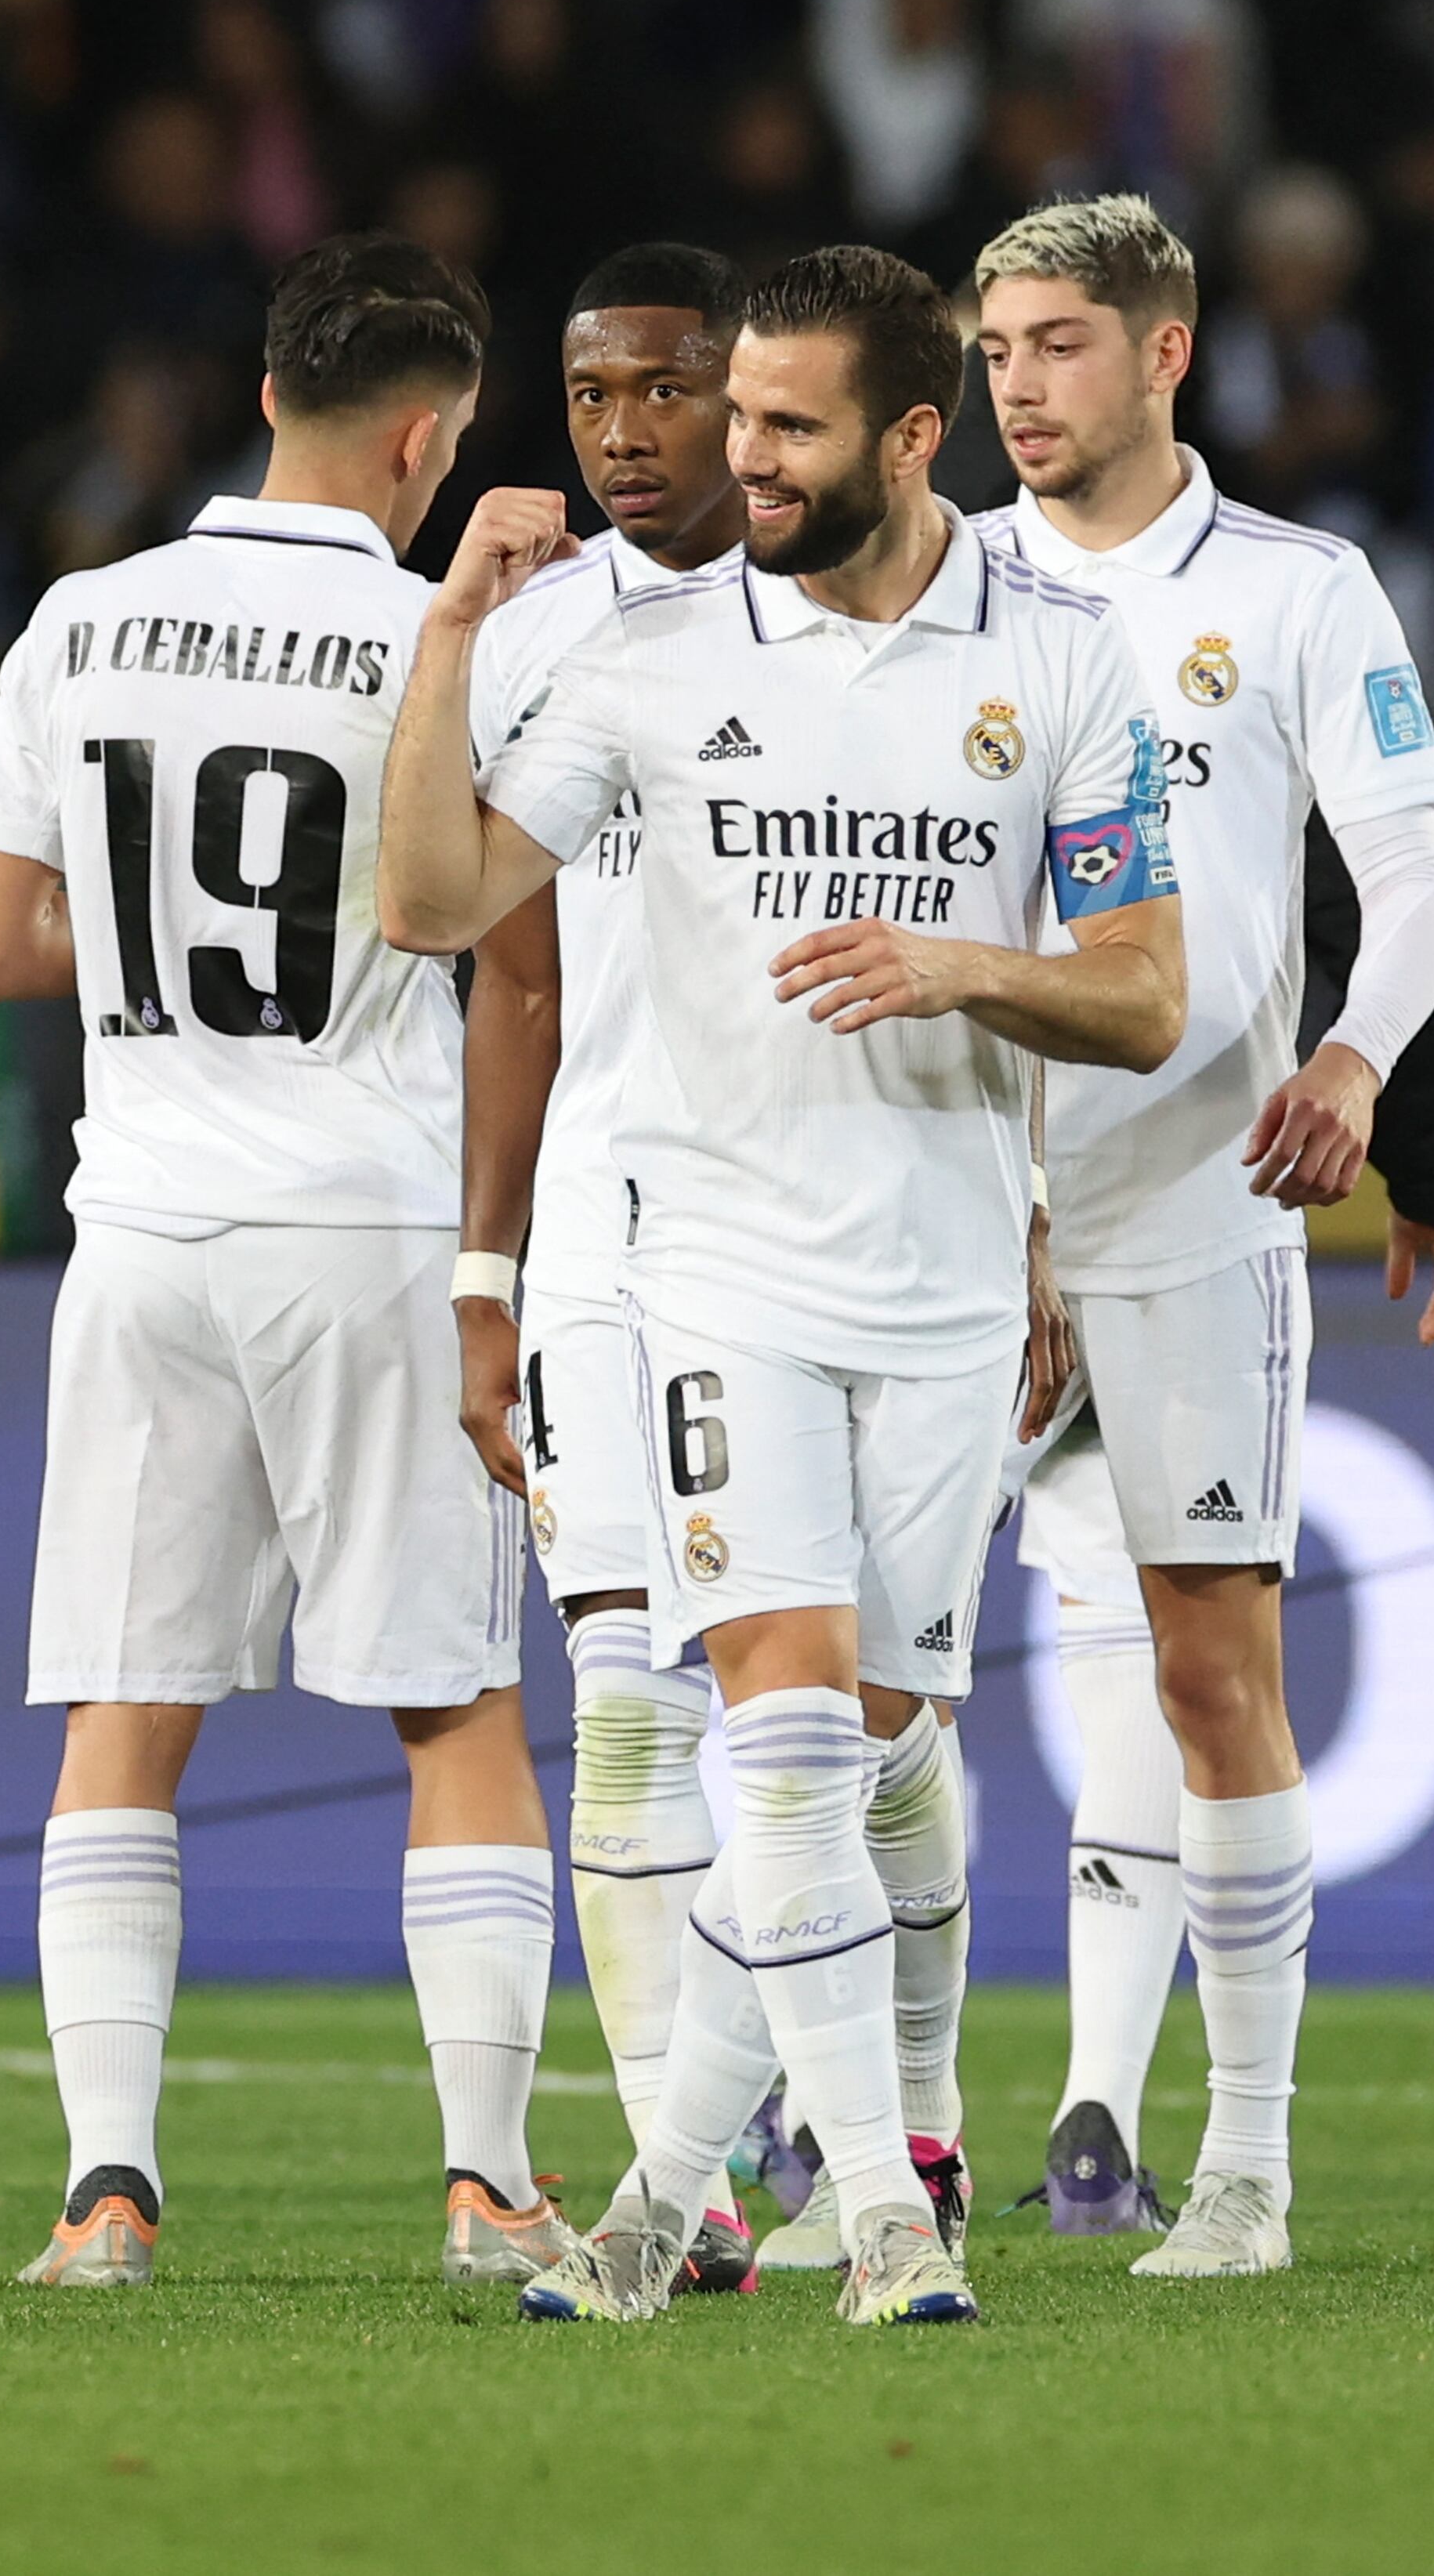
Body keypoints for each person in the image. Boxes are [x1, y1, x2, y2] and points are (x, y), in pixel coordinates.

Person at [379, 243, 1188, 2328]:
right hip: (713, 1263)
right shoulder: (648, 662)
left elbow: (1147, 994)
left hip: (939, 1283)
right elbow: (435, 899)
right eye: (735, 417)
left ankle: (658, 2196)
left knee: (883, 1728)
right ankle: (892, 2214)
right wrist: (453, 634)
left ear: (914, 437)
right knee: (786, 1719)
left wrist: (961, 966)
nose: (739, 459)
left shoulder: (1069, 662)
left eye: (787, 427)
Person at [0, 235, 568, 2293]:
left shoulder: (83, 617)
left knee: (126, 1716)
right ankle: (487, 2182)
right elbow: (502, 947)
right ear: (420, 437)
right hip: (367, 1227)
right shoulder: (440, 637)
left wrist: (130, 971)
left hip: (139, 1227)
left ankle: (103, 2186)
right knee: (455, 1709)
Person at [966, 194, 1434, 2276]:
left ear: (1167, 354)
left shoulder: (1293, 592)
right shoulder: (933, 586)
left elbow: (1413, 884)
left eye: (1059, 340)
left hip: (1195, 1204)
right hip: (949, 1219)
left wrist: (1355, 1070)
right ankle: (870, 2147)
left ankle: (1245, 2169)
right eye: (993, 343)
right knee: (862, 1683)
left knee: (1206, 1670)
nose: (1014, 380)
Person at [446, 241, 763, 2297]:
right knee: (630, 1697)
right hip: (598, 1245)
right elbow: (513, 970)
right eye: (593, 396)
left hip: (807, 1229)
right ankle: (688, 2171)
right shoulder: (527, 637)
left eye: (667, 390)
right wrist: (486, 1262)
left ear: (753, 396)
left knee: (837, 1715)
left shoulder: (851, 615)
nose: (628, 432)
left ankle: (898, 2106)